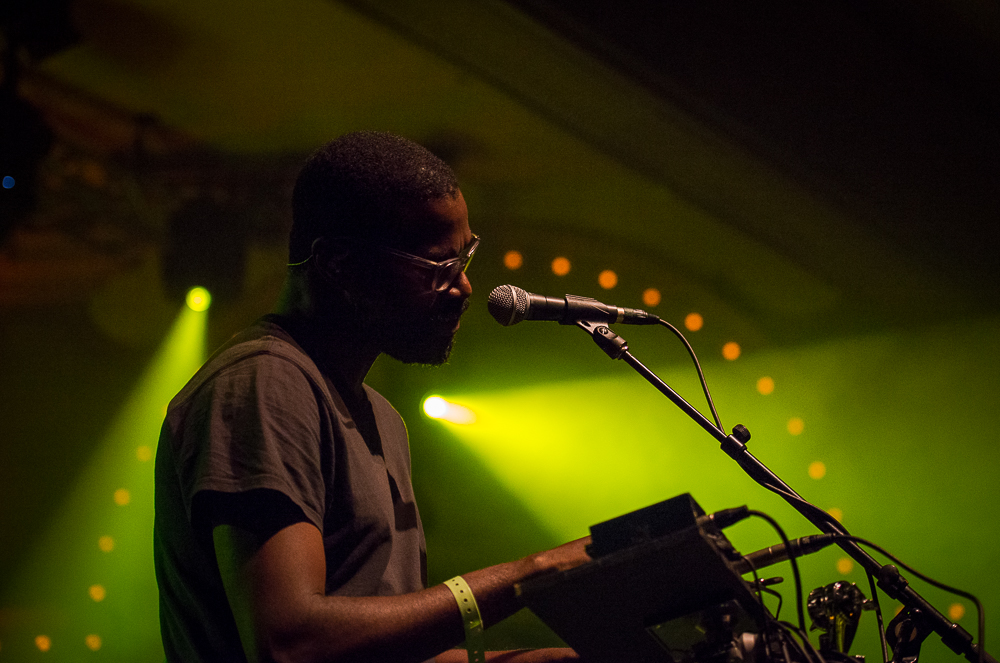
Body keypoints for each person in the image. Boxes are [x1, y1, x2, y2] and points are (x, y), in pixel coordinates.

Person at [153, 131, 591, 663]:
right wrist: (535, 574)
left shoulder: (380, 417)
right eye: (438, 268)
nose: (464, 289)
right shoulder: (266, 384)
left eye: (466, 260)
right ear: (338, 264)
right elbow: (291, 644)